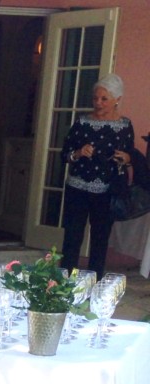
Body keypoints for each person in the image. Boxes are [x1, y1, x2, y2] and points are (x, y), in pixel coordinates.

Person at [60, 73, 135, 279]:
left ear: (117, 99)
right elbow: (64, 154)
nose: (98, 103)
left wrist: (126, 157)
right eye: (95, 98)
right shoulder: (82, 122)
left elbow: (130, 155)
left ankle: (94, 283)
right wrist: (78, 153)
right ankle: (63, 282)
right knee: (72, 237)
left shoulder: (125, 126)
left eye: (104, 99)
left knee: (100, 240)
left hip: (106, 191)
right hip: (77, 188)